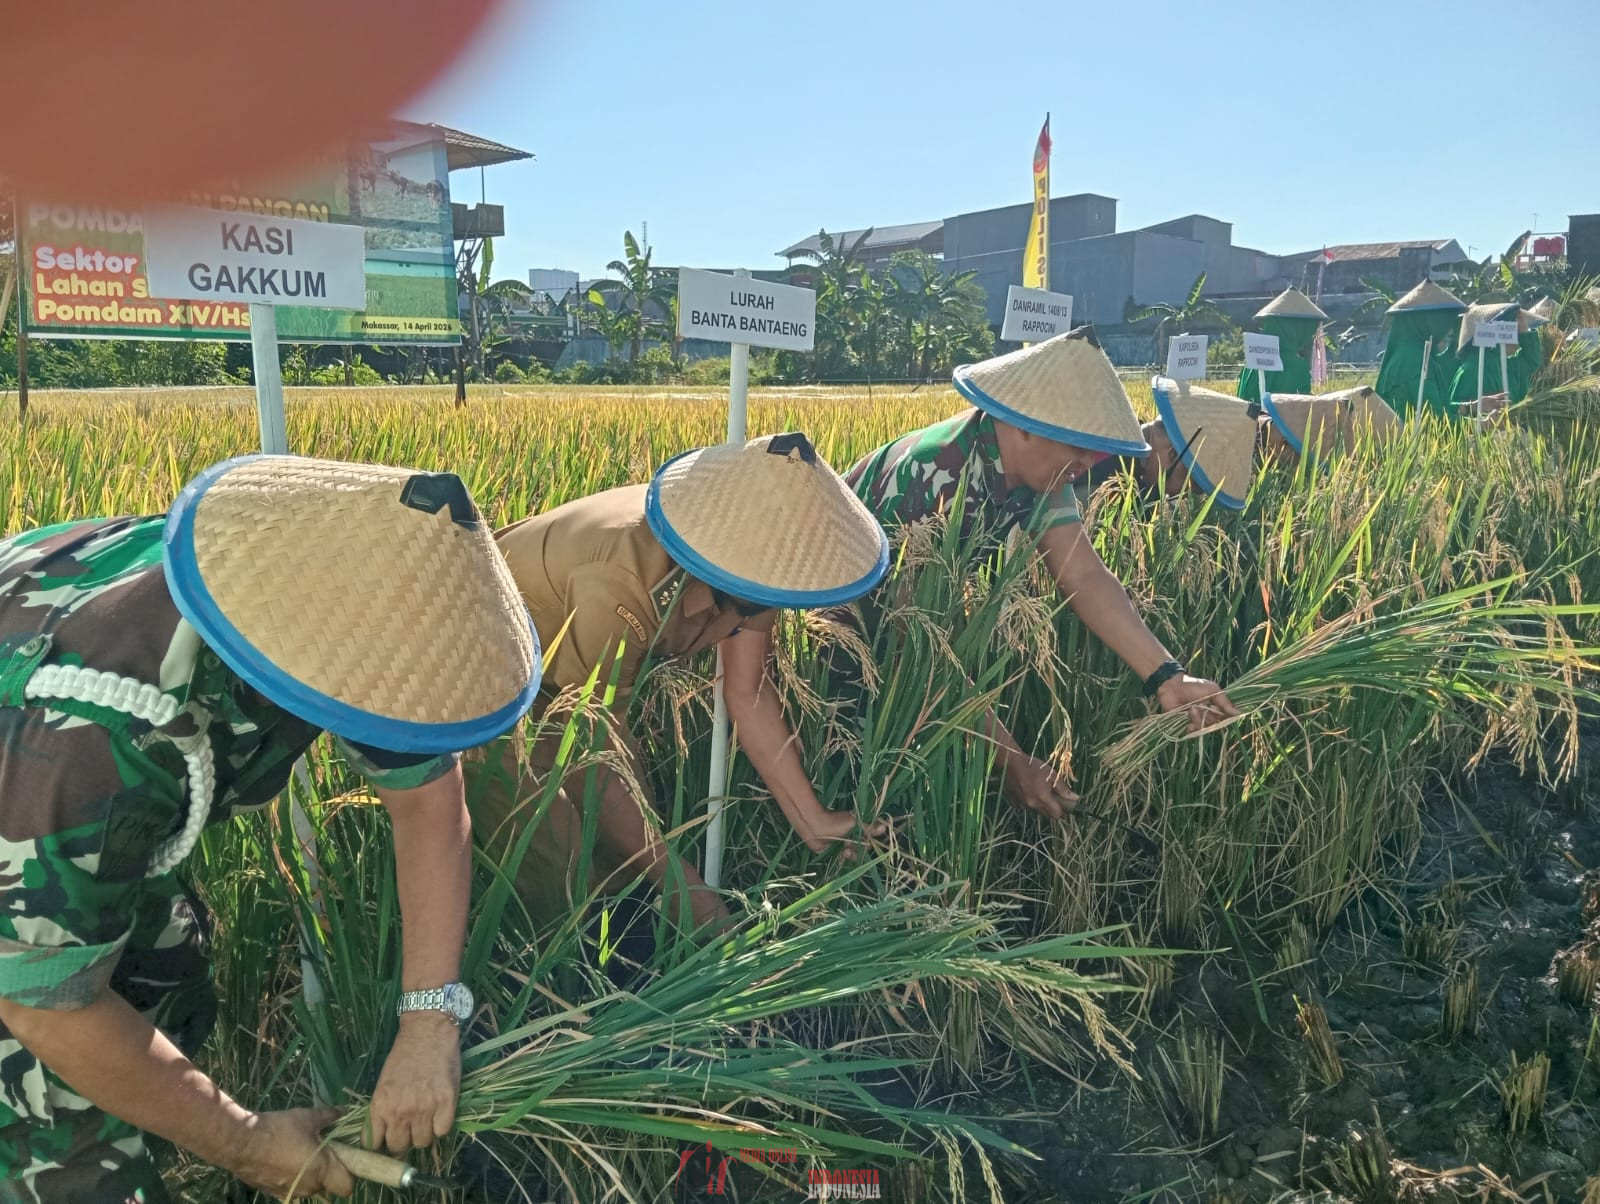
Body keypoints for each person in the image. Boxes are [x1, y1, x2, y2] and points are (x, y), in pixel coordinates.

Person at [0, 456, 540, 1202]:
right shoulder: (89, 741)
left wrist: (428, 1024)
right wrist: (247, 1144)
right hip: (28, 790)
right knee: (58, 1136)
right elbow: (45, 1008)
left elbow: (429, 802)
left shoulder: (312, 586)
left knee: (163, 967)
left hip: (59, 807)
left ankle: (144, 1117)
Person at [472, 432, 889, 935]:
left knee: (624, 851)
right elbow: (590, 752)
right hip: (483, 674)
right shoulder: (625, 581)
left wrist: (813, 820)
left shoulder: (756, 569)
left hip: (577, 685)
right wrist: (691, 895)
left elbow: (747, 690)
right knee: (559, 862)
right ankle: (564, 973)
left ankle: (631, 940)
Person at [834, 326, 1240, 820]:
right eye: (1077, 446)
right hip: (844, 629)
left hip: (913, 631)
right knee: (865, 783)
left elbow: (1083, 575)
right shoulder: (934, 476)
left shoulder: (1043, 470)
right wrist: (1008, 757)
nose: (1089, 462)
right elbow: (915, 641)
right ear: (1024, 424)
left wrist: (1167, 675)